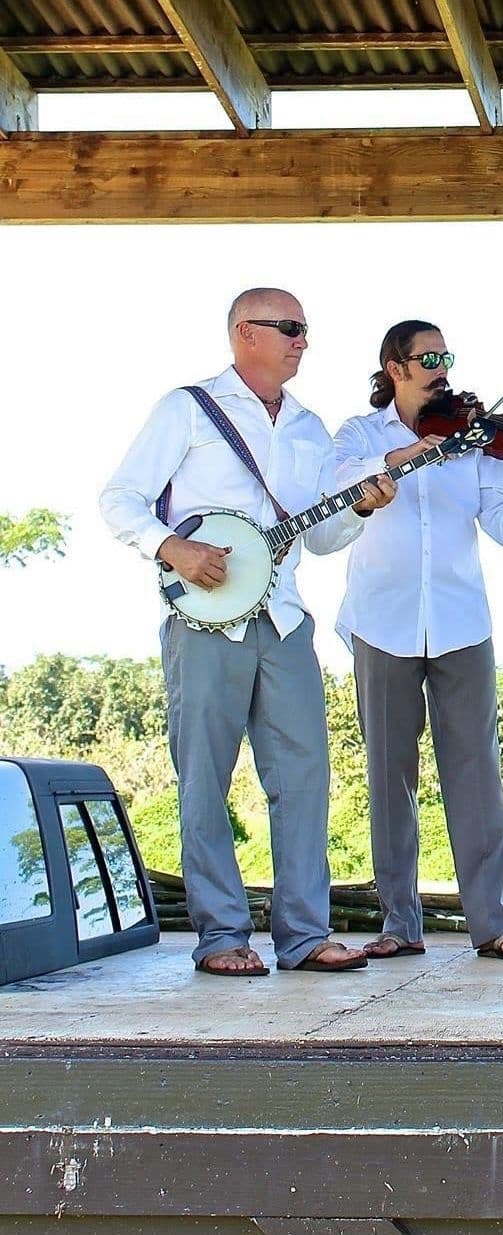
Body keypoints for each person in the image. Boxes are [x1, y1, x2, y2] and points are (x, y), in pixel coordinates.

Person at [100, 287, 395, 977]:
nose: (302, 340)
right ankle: (221, 937)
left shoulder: (309, 426)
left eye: (304, 329)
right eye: (288, 327)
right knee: (205, 777)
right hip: (203, 622)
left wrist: (362, 507)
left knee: (303, 776)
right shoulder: (189, 409)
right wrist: (173, 548)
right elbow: (120, 498)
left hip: (284, 617)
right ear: (244, 333)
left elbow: (319, 536)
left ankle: (302, 935)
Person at [333, 320, 503, 962]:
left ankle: (492, 924)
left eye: (447, 357)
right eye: (428, 358)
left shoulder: (475, 442)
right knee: (390, 777)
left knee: (476, 772)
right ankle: (398, 923)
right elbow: (338, 484)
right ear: (395, 368)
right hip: (381, 620)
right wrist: (412, 455)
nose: (444, 370)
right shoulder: (360, 433)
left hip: (462, 621)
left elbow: (502, 527)